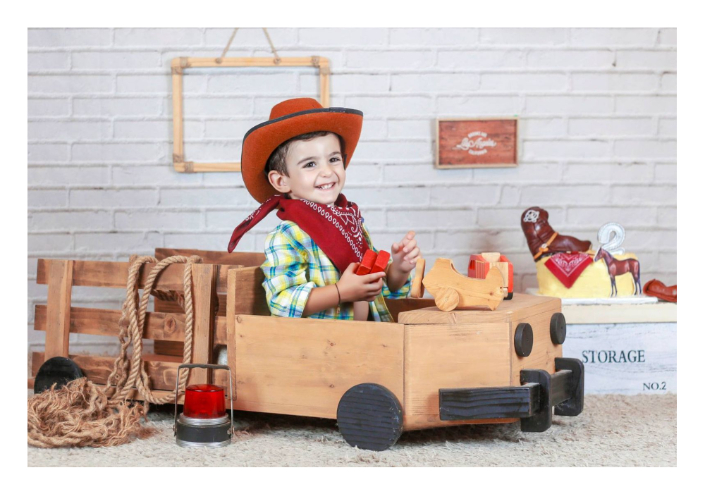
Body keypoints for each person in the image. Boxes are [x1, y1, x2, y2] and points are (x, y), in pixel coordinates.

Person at [227, 98, 421, 321]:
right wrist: (340, 292)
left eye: (334, 159)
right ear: (281, 181)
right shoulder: (289, 236)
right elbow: (282, 303)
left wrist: (399, 269)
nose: (327, 171)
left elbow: (380, 289)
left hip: (371, 338)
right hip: (322, 341)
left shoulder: (351, 223)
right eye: (310, 164)